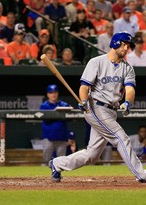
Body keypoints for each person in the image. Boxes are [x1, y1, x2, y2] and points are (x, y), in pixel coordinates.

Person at [49, 32, 146, 183]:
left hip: (111, 110)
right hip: (96, 107)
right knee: (121, 138)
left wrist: (127, 102)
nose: (127, 48)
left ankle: (57, 163)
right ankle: (141, 174)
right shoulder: (96, 62)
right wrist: (83, 100)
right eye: (124, 44)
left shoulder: (127, 68)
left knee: (92, 155)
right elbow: (84, 87)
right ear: (115, 43)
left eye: (128, 46)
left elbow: (130, 89)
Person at [39, 84, 72, 166]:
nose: (53, 94)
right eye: (51, 93)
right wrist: (59, 115)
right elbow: (46, 119)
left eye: (55, 92)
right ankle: (42, 178)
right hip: (48, 138)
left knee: (61, 162)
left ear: (57, 93)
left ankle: (60, 177)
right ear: (47, 94)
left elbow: (71, 114)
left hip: (61, 137)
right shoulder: (44, 106)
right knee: (46, 161)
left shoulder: (63, 104)